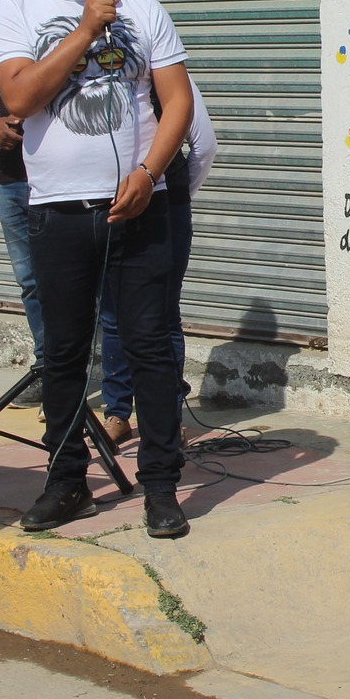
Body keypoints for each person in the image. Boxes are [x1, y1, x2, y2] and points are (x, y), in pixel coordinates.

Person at [0, 0, 196, 539]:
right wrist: (85, 29)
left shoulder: (144, 5)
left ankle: (162, 487)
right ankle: (66, 479)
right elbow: (18, 98)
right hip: (57, 211)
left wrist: (148, 172)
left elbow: (178, 102)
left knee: (151, 350)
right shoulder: (16, 11)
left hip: (139, 205)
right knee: (65, 352)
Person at [97, 74, 217, 448]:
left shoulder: (169, 77)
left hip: (163, 207)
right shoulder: (90, 78)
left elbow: (204, 145)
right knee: (114, 313)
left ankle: (164, 419)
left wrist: (172, 193)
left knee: (159, 315)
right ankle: (118, 413)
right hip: (105, 205)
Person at [0, 78, 46, 406]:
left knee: (74, 284)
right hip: (12, 184)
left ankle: (73, 377)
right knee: (30, 282)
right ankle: (46, 369)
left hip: (53, 184)